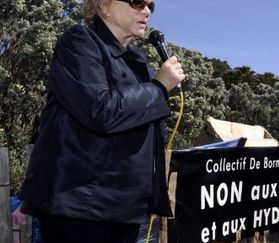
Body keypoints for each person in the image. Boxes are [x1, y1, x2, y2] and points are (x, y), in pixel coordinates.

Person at [19, 0, 185, 242]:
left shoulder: (140, 63)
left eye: (151, 5)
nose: (146, 10)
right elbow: (100, 110)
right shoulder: (79, 42)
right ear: (103, 5)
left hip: (128, 210)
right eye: (137, 2)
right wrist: (159, 87)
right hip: (79, 211)